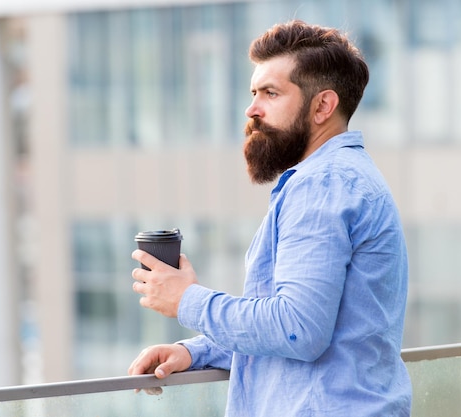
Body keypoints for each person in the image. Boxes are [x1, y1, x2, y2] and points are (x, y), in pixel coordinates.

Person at [129, 19, 412, 417]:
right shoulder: (339, 178)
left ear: (323, 106)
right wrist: (195, 351)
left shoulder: (322, 185)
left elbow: (298, 329)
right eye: (253, 92)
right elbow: (315, 327)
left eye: (270, 93)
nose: (251, 108)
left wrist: (187, 300)